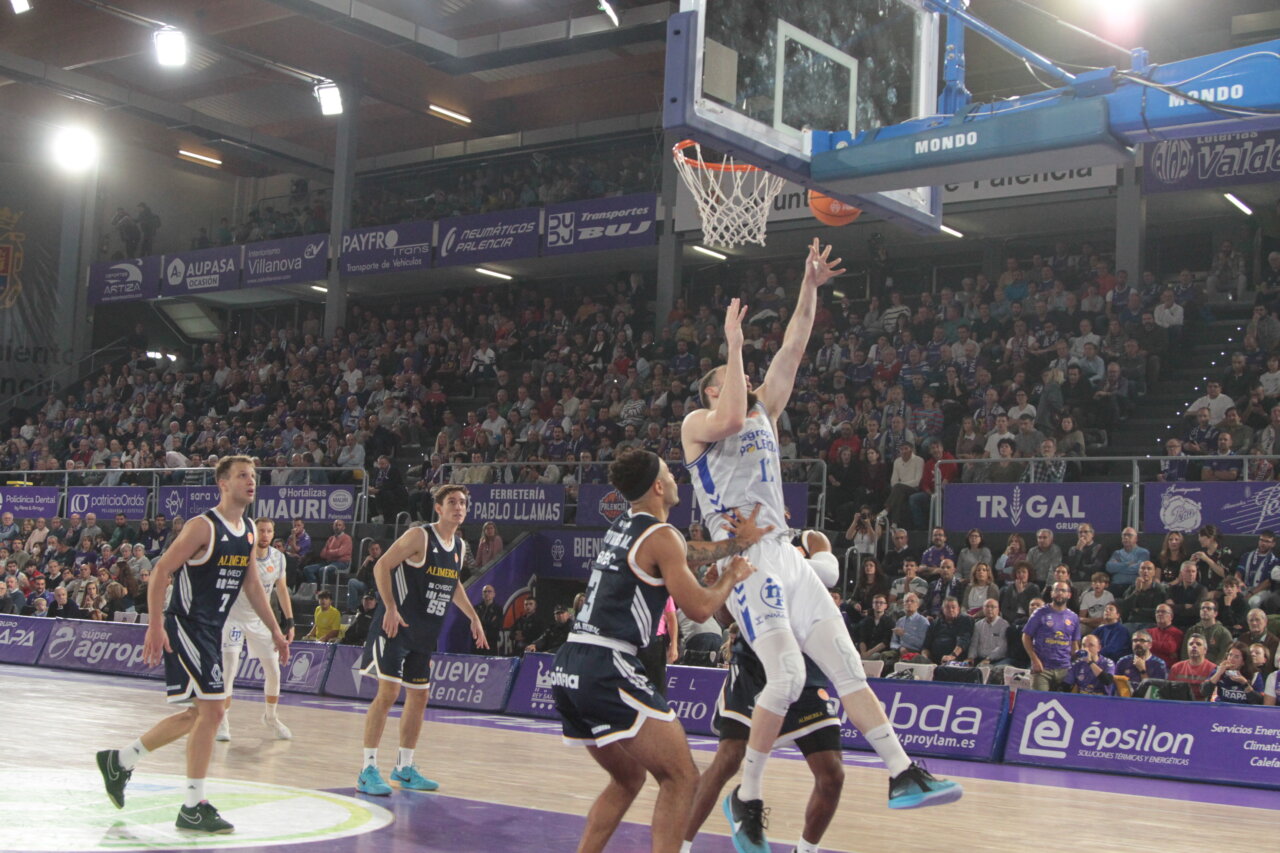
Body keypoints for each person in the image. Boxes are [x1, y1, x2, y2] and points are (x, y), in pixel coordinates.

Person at [684, 278, 959, 853]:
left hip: (783, 552)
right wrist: (732, 345)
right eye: (730, 381)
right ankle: (747, 797)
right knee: (784, 676)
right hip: (747, 562)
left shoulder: (764, 411)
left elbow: (795, 344)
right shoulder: (698, 426)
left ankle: (902, 771)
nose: (749, 383)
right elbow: (732, 415)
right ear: (710, 391)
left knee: (848, 666)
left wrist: (808, 285)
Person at [550, 449, 757, 853]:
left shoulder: (625, 524)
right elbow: (698, 607)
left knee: (628, 779)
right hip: (607, 663)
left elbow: (683, 553)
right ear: (659, 487)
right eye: (669, 473)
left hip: (569, 664)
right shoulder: (662, 536)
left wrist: (733, 543)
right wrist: (732, 573)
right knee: (682, 777)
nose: (675, 478)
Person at [96, 456, 288, 834]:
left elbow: (251, 585)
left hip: (211, 630)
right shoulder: (203, 526)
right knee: (214, 712)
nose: (251, 482)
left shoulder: (249, 530)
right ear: (223, 483)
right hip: (186, 624)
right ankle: (192, 805)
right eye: (242, 476)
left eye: (253, 476)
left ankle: (120, 760)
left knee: (198, 715)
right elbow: (162, 571)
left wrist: (276, 631)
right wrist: (154, 626)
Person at [683, 530, 846, 853]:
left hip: (805, 662)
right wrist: (722, 585)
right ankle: (679, 845)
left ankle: (805, 849)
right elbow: (724, 616)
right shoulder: (740, 547)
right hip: (756, 661)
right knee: (729, 758)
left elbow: (828, 578)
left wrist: (781, 567)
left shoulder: (812, 540)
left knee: (832, 774)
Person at [355, 485, 488, 796]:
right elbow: (381, 566)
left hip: (425, 633)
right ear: (438, 508)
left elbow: (452, 582)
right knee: (388, 693)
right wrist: (388, 606)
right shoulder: (419, 536)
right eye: (452, 502)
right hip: (396, 626)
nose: (459, 507)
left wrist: (473, 616)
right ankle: (367, 768)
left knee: (419, 697)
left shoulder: (459, 545)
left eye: (463, 503)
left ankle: (404, 767)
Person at [217, 518, 294, 742]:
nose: (265, 535)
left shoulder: (279, 558)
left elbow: (281, 590)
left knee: (274, 670)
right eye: (261, 530)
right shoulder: (242, 555)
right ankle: (223, 720)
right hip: (233, 617)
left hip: (260, 620)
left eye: (269, 531)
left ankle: (271, 717)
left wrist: (289, 621)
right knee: (229, 670)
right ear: (254, 533)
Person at [1022, 581, 1081, 692]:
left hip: (1065, 669)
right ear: (1051, 594)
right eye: (1056, 590)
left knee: (1063, 706)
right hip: (1042, 669)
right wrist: (1034, 659)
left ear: (1069, 595)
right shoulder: (1039, 613)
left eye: (1063, 590)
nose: (1059, 593)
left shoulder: (1073, 617)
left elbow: (1074, 644)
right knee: (1039, 704)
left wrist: (1077, 664)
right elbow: (1026, 636)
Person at [301, 520, 353, 590]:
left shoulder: (347, 538)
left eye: (339, 525)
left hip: (342, 563)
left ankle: (325, 592)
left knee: (323, 570)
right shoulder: (331, 538)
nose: (337, 527)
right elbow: (322, 554)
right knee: (307, 569)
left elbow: (340, 552)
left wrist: (329, 552)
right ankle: (314, 589)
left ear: (344, 527)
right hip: (328, 562)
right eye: (335, 525)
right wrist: (332, 553)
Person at [1182, 599, 1234, 664]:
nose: (1204, 610)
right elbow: (1185, 652)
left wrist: (1214, 670)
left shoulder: (1224, 633)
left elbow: (1224, 655)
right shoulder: (1192, 630)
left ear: (1215, 613)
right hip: (1192, 668)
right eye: (1202, 608)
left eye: (1209, 608)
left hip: (1214, 670)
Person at [1169, 634, 1217, 700]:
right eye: (1191, 644)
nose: (1194, 646)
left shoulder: (1213, 669)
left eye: (1198, 644)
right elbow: (1170, 692)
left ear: (1205, 650)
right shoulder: (1176, 668)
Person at [968, 599, 1011, 666]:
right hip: (979, 659)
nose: (989, 609)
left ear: (998, 609)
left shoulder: (1004, 624)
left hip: (996, 660)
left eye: (993, 607)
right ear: (983, 609)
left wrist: (989, 659)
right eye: (987, 606)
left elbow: (1002, 647)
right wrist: (970, 657)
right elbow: (974, 644)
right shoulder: (978, 624)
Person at [1106, 527, 1149, 593]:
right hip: (1116, 585)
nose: (1126, 537)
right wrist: (1127, 564)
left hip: (1133, 586)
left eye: (1129, 535)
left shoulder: (1143, 552)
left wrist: (1118, 566)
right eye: (1124, 535)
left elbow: (1139, 569)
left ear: (1136, 539)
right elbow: (1109, 568)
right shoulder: (1117, 553)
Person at [474, 584, 503, 653]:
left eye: (489, 591)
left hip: (491, 641)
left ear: (494, 594)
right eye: (485, 591)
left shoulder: (498, 609)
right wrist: (489, 622)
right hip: (477, 641)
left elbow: (497, 625)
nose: (487, 593)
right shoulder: (477, 608)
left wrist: (482, 624)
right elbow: (474, 623)